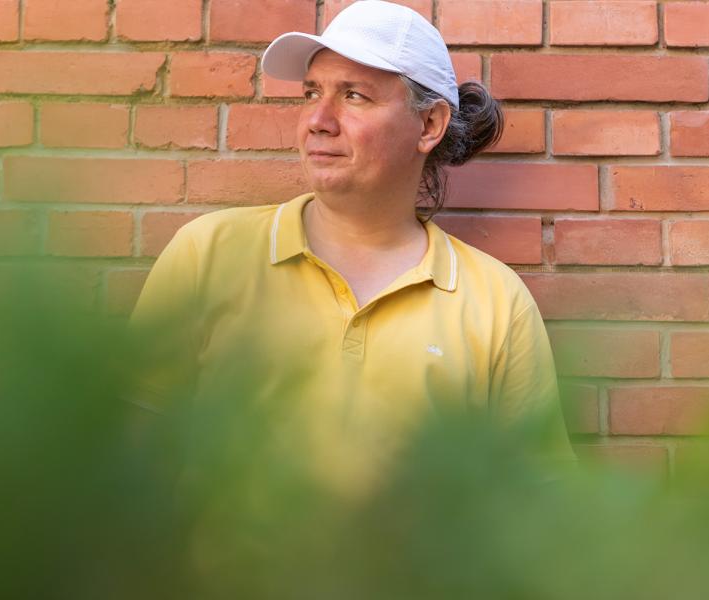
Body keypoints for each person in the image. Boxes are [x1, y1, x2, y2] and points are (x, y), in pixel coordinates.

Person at [130, 0, 576, 498]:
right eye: (311, 93)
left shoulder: (495, 302)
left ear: (429, 125)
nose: (318, 120)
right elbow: (130, 453)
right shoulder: (209, 255)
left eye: (354, 95)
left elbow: (539, 498)